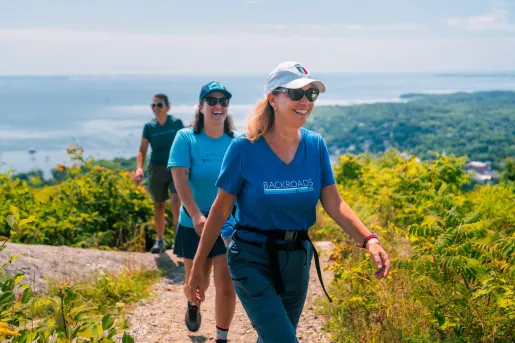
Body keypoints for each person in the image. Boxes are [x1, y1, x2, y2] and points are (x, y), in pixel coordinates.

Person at [185, 61, 391, 343]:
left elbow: (334, 202)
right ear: (272, 98)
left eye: (311, 94)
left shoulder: (315, 145)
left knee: (275, 338)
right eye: (296, 94)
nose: (305, 101)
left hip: (296, 259)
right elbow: (220, 209)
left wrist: (369, 239)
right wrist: (197, 266)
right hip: (251, 258)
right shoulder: (245, 148)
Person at [168, 81, 238, 343]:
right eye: (212, 101)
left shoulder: (236, 141)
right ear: (201, 107)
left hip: (226, 223)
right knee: (198, 284)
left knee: (226, 282)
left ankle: (222, 336)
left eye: (223, 101)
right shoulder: (186, 138)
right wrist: (197, 214)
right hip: (193, 222)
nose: (218, 106)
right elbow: (180, 180)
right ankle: (194, 305)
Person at [135, 93, 184, 254]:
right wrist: (139, 168)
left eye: (159, 105)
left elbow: (186, 143)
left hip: (176, 166)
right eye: (153, 105)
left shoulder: (176, 123)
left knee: (176, 201)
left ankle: (179, 239)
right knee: (159, 205)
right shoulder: (149, 127)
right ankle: (160, 240)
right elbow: (142, 150)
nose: (156, 108)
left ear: (168, 106)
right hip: (156, 167)